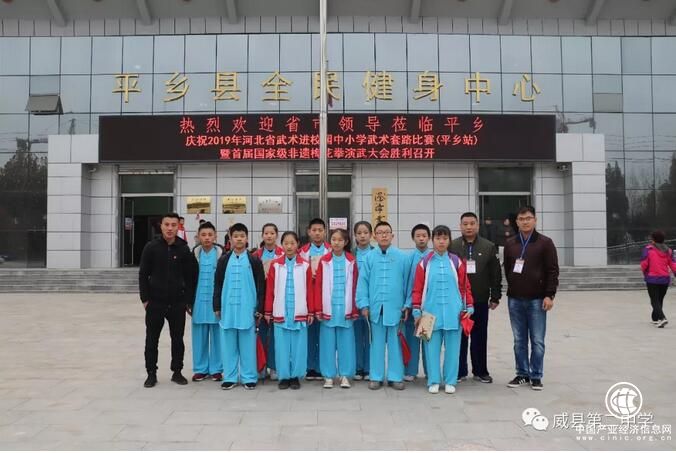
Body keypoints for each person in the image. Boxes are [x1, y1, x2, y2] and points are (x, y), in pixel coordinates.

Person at [412, 225, 474, 394]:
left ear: (449, 240)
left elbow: (465, 286)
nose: (441, 242)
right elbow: (417, 289)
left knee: (453, 349)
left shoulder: (456, 262)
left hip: (454, 312)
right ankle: (433, 380)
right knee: (430, 349)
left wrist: (469, 305)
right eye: (438, 238)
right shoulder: (424, 263)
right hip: (428, 314)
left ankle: (450, 380)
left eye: (445, 238)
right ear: (433, 240)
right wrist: (416, 310)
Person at [139, 212, 197, 388]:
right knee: (151, 340)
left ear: (178, 226)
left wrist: (188, 300)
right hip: (155, 302)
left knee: (177, 339)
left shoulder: (184, 249)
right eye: (167, 225)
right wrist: (145, 299)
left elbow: (191, 276)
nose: (170, 228)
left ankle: (177, 372)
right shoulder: (151, 247)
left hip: (177, 303)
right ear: (161, 226)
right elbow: (143, 274)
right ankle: (151, 373)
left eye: (174, 225)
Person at [503, 206, 559, 391]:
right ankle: (522, 373)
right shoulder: (511, 243)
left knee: (537, 340)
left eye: (528, 218)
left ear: (535, 220)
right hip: (515, 299)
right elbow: (508, 268)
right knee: (519, 340)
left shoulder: (545, 243)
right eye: (521, 219)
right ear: (517, 222)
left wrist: (549, 295)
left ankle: (536, 375)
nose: (525, 222)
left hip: (537, 299)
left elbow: (552, 270)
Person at [356, 221, 411, 391]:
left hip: (396, 309)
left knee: (395, 344)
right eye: (380, 232)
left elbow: (409, 283)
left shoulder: (403, 257)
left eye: (387, 232)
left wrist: (408, 304)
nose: (384, 235)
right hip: (376, 309)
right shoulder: (369, 258)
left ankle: (395, 377)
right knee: (376, 345)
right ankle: (376, 376)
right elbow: (362, 283)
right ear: (375, 236)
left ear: (392, 235)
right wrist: (363, 304)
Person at [213, 223, 266, 390]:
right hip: (227, 309)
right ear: (230, 238)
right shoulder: (223, 260)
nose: (239, 239)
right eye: (235, 236)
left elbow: (261, 286)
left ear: (247, 238)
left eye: (242, 236)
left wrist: (260, 308)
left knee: (248, 345)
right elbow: (218, 284)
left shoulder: (254, 260)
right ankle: (230, 377)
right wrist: (216, 305)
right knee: (228, 345)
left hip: (247, 309)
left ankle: (249, 377)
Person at [450, 212, 502, 384]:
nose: (469, 227)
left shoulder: (488, 246)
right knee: (459, 337)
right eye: (465, 224)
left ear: (478, 225)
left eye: (472, 223)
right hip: (458, 301)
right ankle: (459, 371)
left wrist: (495, 296)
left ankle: (480, 371)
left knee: (479, 337)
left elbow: (495, 273)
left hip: (479, 300)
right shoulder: (452, 246)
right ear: (460, 226)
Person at [265, 231, 315, 390]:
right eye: (286, 243)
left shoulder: (305, 265)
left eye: (292, 243)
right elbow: (270, 290)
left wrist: (311, 311)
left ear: (298, 244)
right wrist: (267, 311)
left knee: (299, 347)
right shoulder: (275, 265)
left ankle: (295, 376)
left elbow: (310, 290)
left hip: (299, 311)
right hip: (281, 311)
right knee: (282, 347)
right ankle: (284, 376)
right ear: (282, 245)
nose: (289, 246)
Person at [315, 229, 359, 389]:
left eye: (340, 240)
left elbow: (355, 285)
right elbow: (318, 286)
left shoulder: (351, 261)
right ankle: (328, 376)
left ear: (346, 242)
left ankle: (345, 375)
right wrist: (318, 308)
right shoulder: (324, 261)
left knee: (346, 345)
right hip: (329, 309)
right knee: (327, 345)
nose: (336, 242)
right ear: (330, 241)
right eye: (333, 239)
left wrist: (355, 309)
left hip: (346, 309)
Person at [190, 222, 224, 382]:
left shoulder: (222, 256)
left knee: (217, 337)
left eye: (210, 235)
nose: (207, 238)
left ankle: (216, 369)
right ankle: (200, 369)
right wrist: (188, 301)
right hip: (198, 301)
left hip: (215, 302)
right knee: (199, 337)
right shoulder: (193, 255)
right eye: (203, 235)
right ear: (198, 237)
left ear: (215, 236)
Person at [299, 218, 331, 381]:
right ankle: (310, 367)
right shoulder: (302, 252)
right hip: (308, 295)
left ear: (325, 232)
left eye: (320, 230)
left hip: (326, 296)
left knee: (324, 335)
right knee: (310, 333)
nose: (317, 233)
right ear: (309, 232)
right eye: (314, 230)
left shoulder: (331, 250)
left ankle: (322, 367)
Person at [253, 223, 285, 380]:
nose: (269, 236)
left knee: (275, 336)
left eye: (272, 233)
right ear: (262, 235)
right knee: (260, 333)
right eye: (266, 233)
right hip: (260, 298)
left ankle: (274, 366)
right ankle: (260, 366)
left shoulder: (283, 254)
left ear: (276, 235)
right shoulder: (255, 256)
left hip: (277, 299)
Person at [404, 224, 431, 382]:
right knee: (412, 340)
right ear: (413, 238)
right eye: (418, 236)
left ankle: (429, 371)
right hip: (411, 305)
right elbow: (406, 283)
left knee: (427, 340)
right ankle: (411, 370)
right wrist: (407, 304)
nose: (421, 238)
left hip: (427, 306)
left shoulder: (433, 257)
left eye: (424, 236)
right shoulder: (408, 258)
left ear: (429, 238)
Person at [352, 221, 374, 381]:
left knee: (371, 337)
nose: (362, 236)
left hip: (372, 300)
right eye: (359, 233)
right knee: (356, 337)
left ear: (371, 235)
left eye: (365, 232)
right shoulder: (349, 254)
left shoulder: (376, 253)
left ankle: (369, 368)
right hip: (353, 301)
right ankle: (358, 367)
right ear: (355, 235)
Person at [641, 231, 676, 328]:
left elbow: (644, 263)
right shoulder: (668, 251)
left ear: (653, 239)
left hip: (652, 279)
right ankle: (655, 319)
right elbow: (673, 263)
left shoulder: (648, 249)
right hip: (664, 279)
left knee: (654, 300)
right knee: (659, 300)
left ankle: (662, 318)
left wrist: (645, 272)